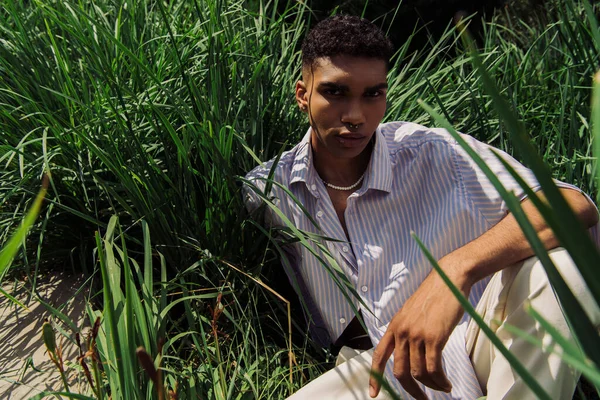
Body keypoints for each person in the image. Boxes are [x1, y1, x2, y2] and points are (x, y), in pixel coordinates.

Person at [243, 15, 600, 400]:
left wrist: (455, 268)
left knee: (560, 269)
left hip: (481, 347)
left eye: (372, 94)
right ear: (302, 94)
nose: (355, 116)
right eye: (335, 92)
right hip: (377, 372)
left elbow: (573, 205)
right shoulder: (268, 191)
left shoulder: (436, 153)